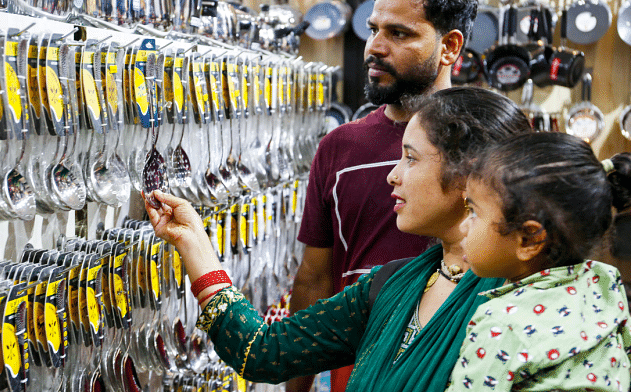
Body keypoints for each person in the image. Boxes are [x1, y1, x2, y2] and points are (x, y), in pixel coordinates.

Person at [144, 87, 534, 391]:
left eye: (411, 159)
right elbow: (262, 351)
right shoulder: (392, 285)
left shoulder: (524, 304)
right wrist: (194, 241)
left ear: (469, 177)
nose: (392, 175)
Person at [291, 0, 476, 387]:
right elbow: (314, 279)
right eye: (373, 29)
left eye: (398, 33)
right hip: (355, 373)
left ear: (449, 47)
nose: (374, 46)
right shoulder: (339, 148)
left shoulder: (491, 143)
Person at [446, 132, 631, 391]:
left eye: (473, 211)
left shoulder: (501, 324)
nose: (464, 227)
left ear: (528, 240)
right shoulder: (605, 279)